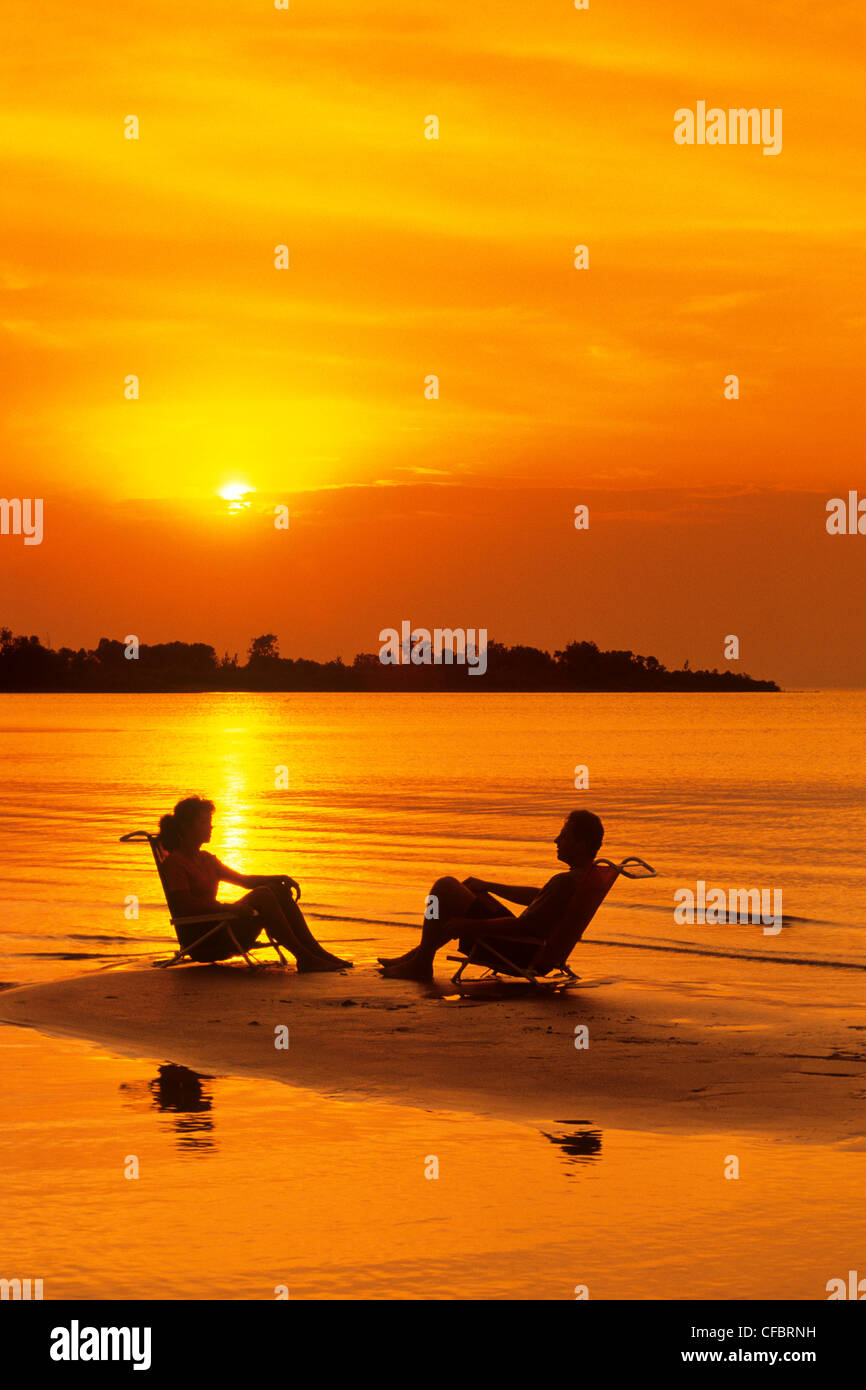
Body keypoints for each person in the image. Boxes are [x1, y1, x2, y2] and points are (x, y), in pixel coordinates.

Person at [379, 809, 605, 981]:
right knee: (470, 890)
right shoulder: (583, 879)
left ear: (581, 845)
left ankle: (421, 963)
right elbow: (538, 897)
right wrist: (489, 886)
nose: (556, 840)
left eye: (564, 836)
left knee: (443, 887)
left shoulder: (564, 882)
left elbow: (522, 926)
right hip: (535, 950)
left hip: (518, 950)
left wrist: (468, 925)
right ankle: (420, 954)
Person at [158, 796, 350, 971]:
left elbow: (244, 881)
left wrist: (278, 878)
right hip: (204, 940)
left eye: (209, 822)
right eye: (204, 822)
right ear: (185, 827)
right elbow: (184, 907)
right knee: (263, 895)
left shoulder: (206, 859)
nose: (210, 827)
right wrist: (229, 908)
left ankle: (317, 953)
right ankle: (305, 957)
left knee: (276, 889)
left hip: (220, 927)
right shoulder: (176, 863)